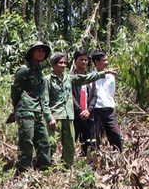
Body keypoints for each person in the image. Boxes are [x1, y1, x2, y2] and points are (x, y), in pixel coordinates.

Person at [43, 51, 106, 168]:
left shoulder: (69, 78)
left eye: (64, 63)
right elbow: (44, 102)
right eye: (60, 63)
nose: (62, 65)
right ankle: (45, 167)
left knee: (70, 144)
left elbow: (86, 78)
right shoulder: (47, 80)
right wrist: (49, 117)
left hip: (69, 116)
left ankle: (66, 168)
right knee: (51, 143)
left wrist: (103, 73)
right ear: (53, 64)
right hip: (56, 117)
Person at [10, 42, 53, 173]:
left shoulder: (40, 71)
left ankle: (45, 170)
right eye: (38, 50)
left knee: (44, 141)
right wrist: (18, 107)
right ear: (31, 53)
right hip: (25, 109)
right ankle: (24, 171)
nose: (41, 53)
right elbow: (15, 90)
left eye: (43, 51)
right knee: (26, 141)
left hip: (37, 110)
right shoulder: (24, 69)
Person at [90, 50, 123, 151]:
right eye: (104, 60)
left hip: (109, 110)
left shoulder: (111, 76)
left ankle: (119, 157)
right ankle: (94, 160)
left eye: (107, 60)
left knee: (115, 135)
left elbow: (111, 93)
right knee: (96, 137)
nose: (107, 62)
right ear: (96, 62)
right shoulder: (90, 77)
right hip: (96, 110)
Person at [71, 49, 97, 157]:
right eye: (81, 59)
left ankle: (90, 165)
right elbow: (70, 96)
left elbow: (94, 95)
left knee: (90, 142)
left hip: (89, 116)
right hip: (75, 116)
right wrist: (80, 110)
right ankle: (68, 165)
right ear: (75, 61)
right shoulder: (70, 78)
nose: (83, 62)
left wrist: (88, 110)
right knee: (71, 141)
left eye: (85, 60)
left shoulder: (90, 77)